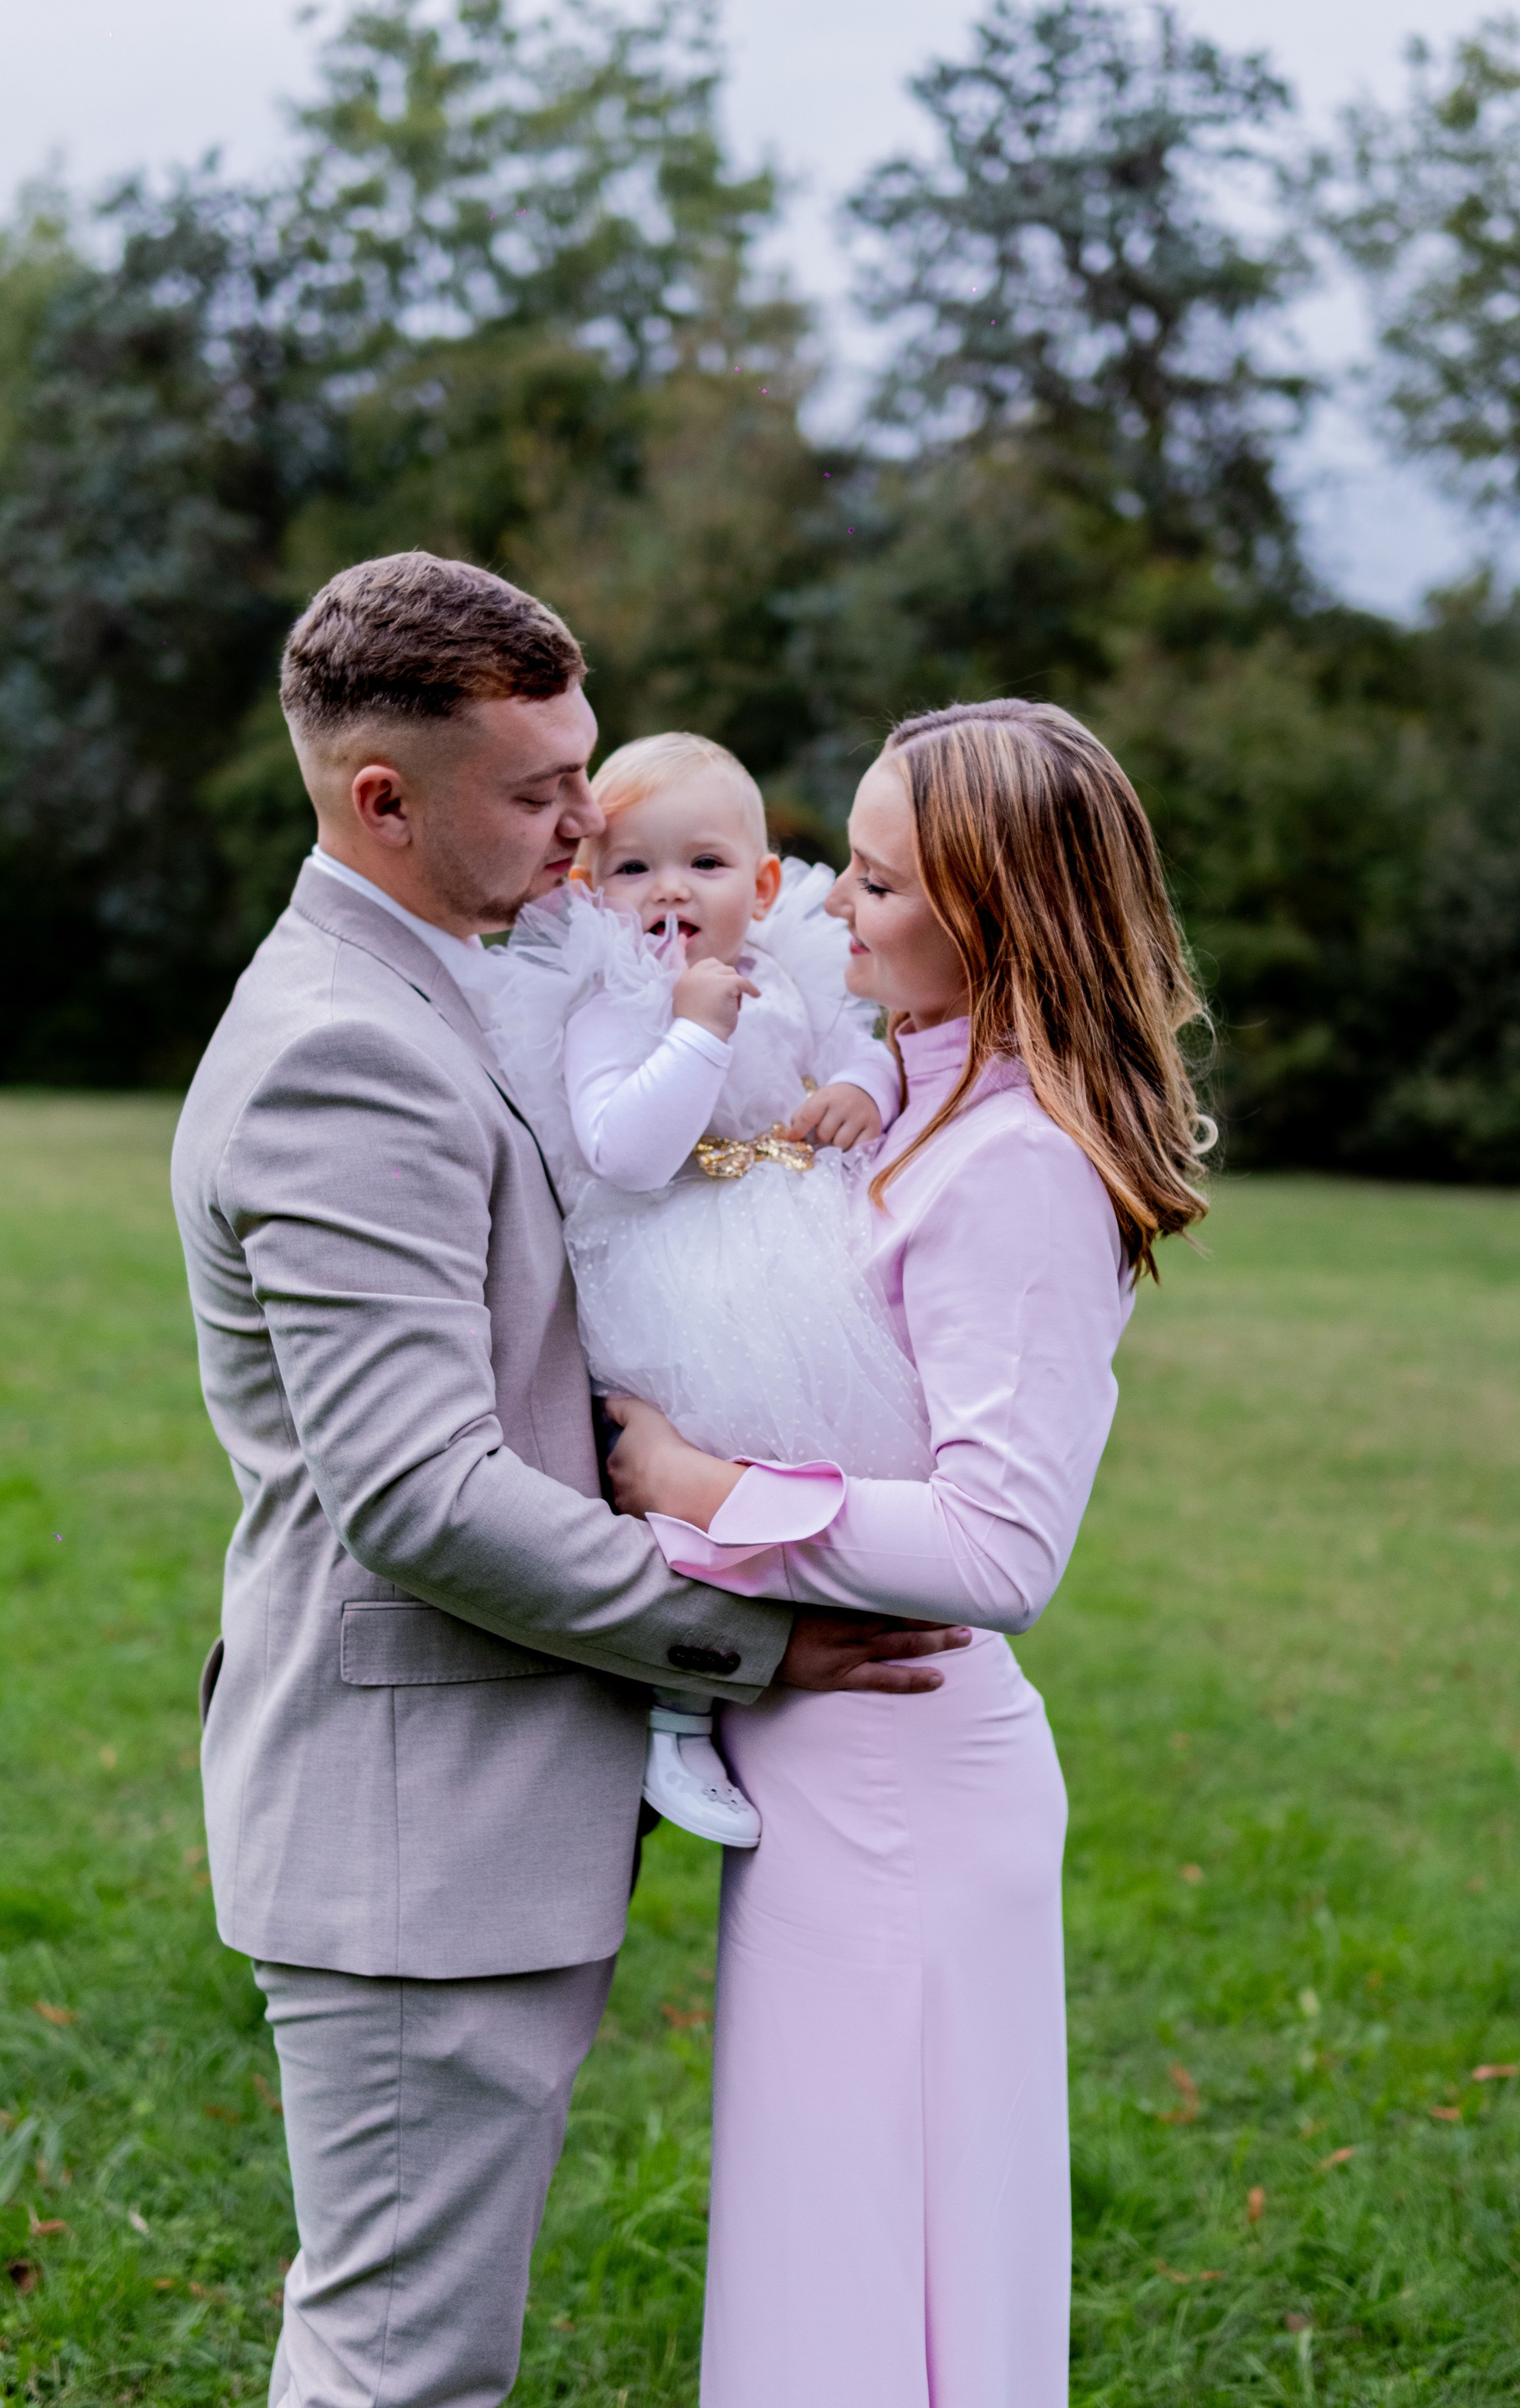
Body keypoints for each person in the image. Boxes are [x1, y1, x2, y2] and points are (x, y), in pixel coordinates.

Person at [169, 550, 966, 2408]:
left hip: (475, 1805)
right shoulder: (346, 1055)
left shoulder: (463, 985)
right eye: (540, 795)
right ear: (384, 801)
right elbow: (421, 1496)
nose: (584, 827)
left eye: (582, 776)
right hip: (412, 1831)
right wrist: (753, 1640)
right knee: (401, 2366)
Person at [606, 697, 1213, 2408]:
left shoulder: (1018, 1165)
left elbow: (1000, 1547)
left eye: (873, 884)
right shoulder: (907, 1096)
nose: (827, 904)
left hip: (902, 1806)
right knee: (830, 2266)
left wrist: (696, 1484)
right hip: (831, 1777)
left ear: (997, 920)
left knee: (879, 2296)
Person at [488, 730, 931, 1849]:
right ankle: (677, 1716)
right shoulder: (614, 1001)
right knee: (683, 1488)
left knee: (821, 1446)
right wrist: (692, 1030)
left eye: (706, 864)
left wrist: (865, 1089)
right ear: (590, 887)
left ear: (765, 884)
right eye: (634, 867)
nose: (671, 890)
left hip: (797, 1254)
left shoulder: (795, 968)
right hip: (675, 1266)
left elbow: (867, 1046)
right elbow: (624, 1151)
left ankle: (828, 1649)